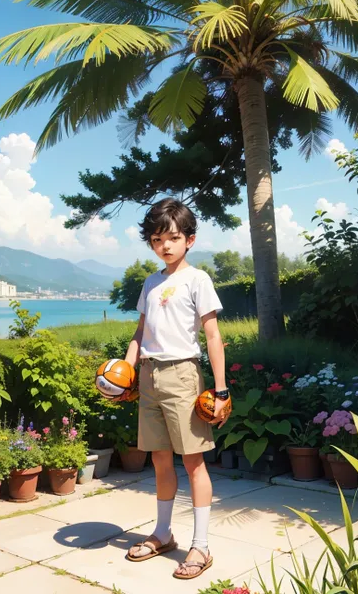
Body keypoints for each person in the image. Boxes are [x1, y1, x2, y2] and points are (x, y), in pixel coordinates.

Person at [123, 198, 231, 580]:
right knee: (160, 459)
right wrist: (125, 372)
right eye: (156, 238)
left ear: (190, 239)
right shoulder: (151, 283)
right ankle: (163, 533)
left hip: (184, 376)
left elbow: (212, 335)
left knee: (194, 461)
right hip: (150, 376)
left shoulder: (197, 279)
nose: (165, 245)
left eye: (172, 237)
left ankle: (200, 546)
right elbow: (141, 332)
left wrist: (220, 389)